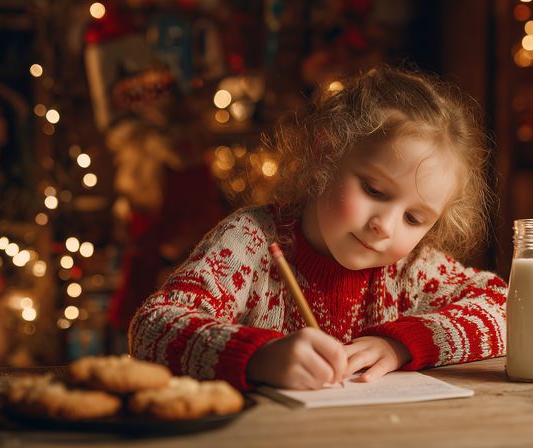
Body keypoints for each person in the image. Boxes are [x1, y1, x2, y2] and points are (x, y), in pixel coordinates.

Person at [128, 66, 507, 390]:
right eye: (374, 190)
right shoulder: (250, 241)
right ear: (325, 152)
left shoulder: (412, 269)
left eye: (414, 218)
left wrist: (403, 344)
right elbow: (152, 327)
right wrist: (258, 356)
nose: (385, 227)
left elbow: (509, 309)